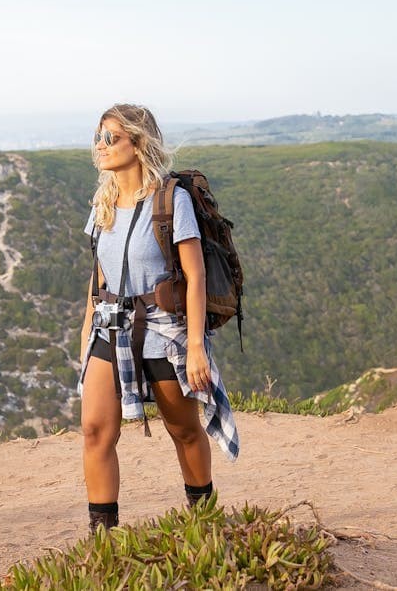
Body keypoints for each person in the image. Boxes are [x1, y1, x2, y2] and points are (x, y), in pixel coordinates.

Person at [78, 103, 239, 534]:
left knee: (184, 430)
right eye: (98, 137)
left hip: (163, 331)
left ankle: (204, 522)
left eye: (111, 138)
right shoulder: (102, 203)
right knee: (95, 431)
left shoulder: (171, 200)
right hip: (109, 329)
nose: (101, 146)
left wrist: (195, 348)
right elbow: (98, 274)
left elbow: (195, 274)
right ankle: (103, 540)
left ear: (138, 142)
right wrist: (85, 335)